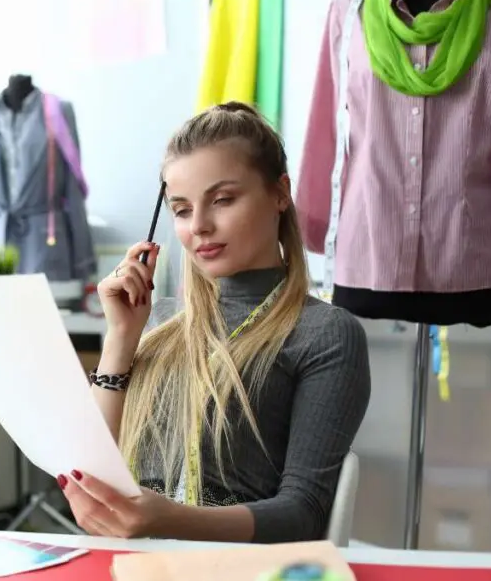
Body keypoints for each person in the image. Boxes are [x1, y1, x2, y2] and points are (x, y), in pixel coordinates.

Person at [56, 102, 370, 543]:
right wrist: (120, 339)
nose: (199, 226)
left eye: (222, 200)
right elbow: (90, 478)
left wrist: (166, 519)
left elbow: (305, 514)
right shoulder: (156, 322)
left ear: (281, 193)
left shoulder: (325, 334)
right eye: (181, 210)